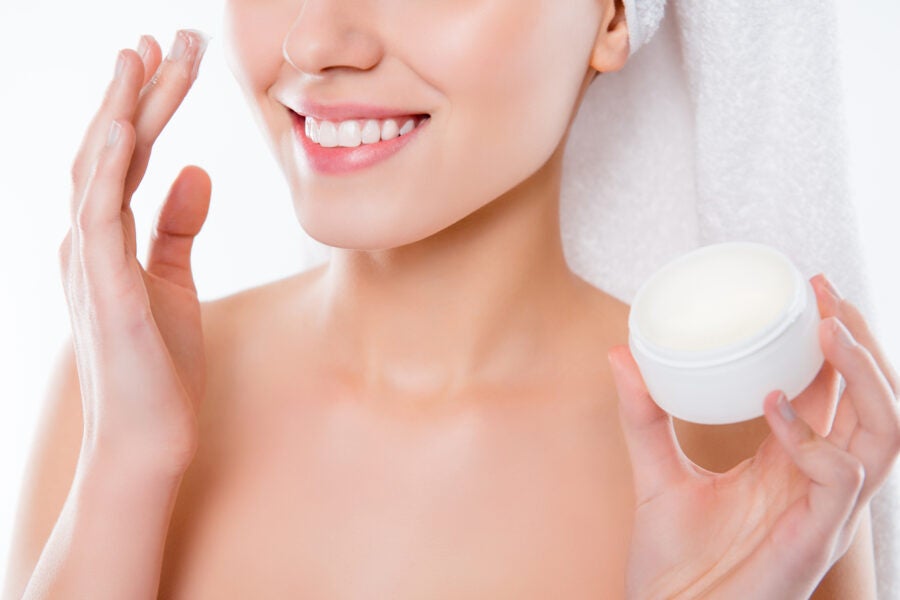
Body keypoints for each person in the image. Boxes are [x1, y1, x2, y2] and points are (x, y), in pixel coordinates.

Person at [3, 1, 898, 598]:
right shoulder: (124, 396)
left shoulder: (756, 462)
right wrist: (127, 467)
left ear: (613, 15)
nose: (315, 41)